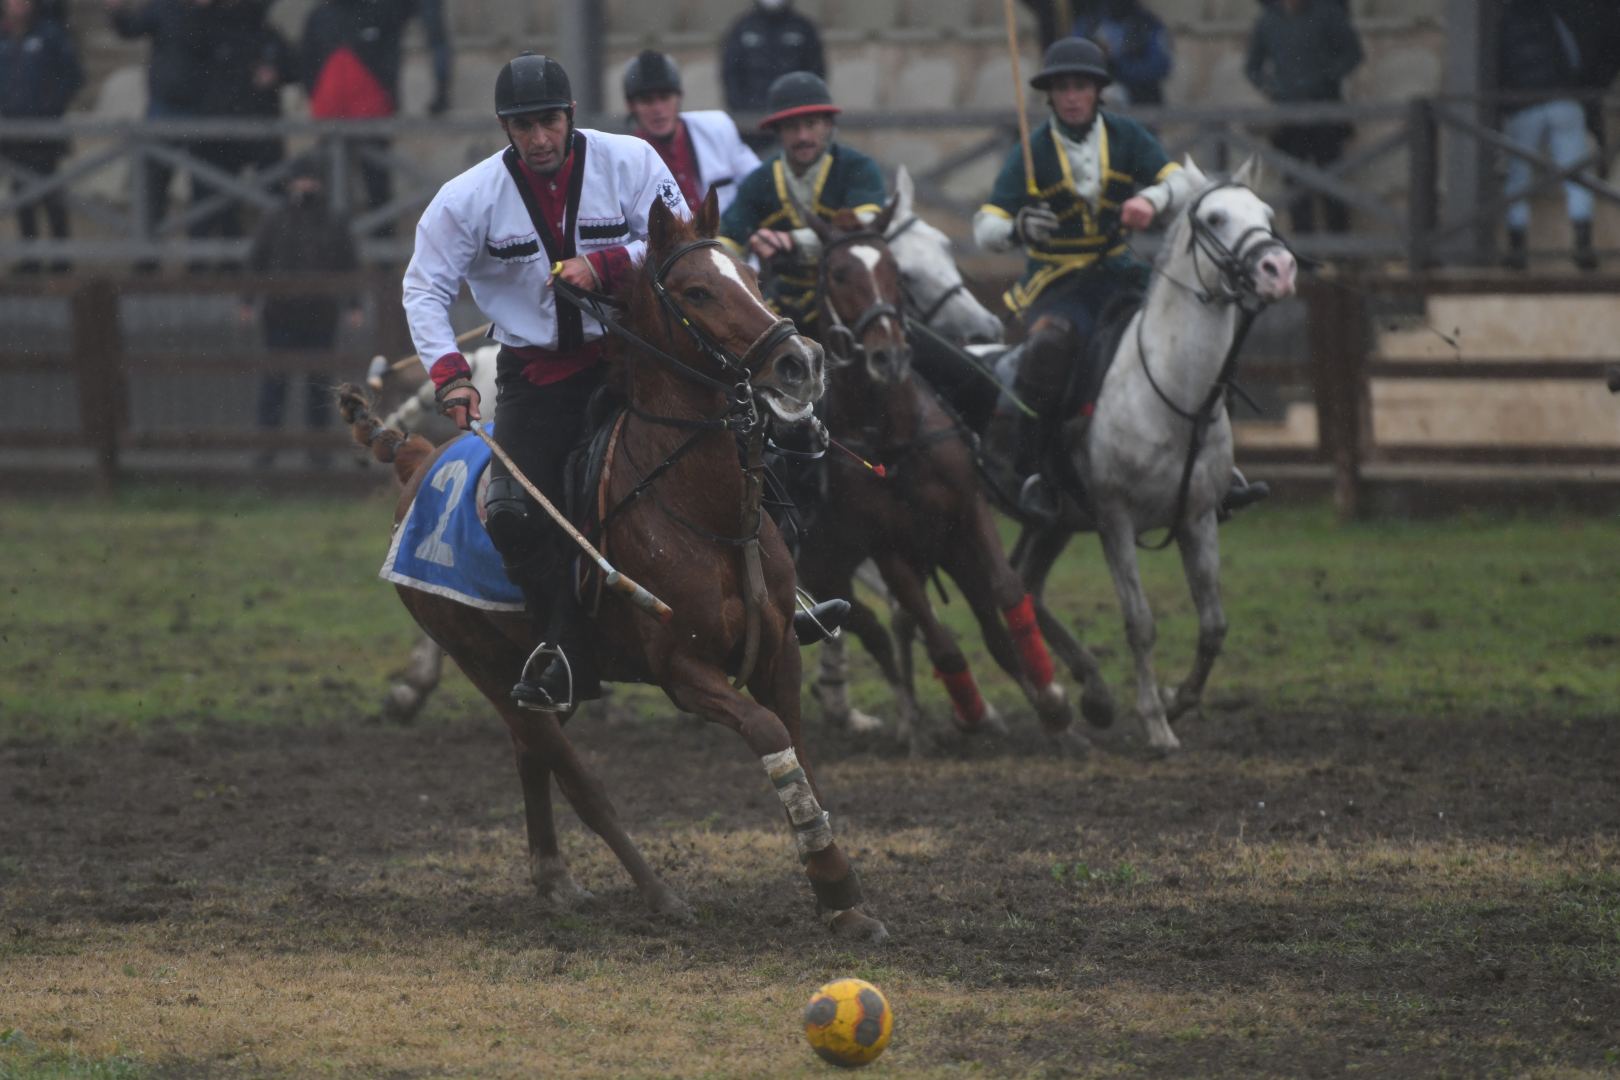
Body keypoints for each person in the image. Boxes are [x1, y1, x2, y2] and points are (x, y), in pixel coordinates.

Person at [404, 54, 842, 713]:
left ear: (571, 116)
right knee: (516, 515)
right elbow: (423, 287)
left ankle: (787, 600)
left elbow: (683, 242)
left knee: (761, 451)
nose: (540, 138)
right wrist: (451, 377)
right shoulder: (466, 200)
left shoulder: (631, 162)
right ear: (506, 129)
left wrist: (605, 264)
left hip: (637, 361)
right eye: (524, 127)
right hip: (540, 376)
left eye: (549, 121)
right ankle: (560, 647)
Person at [974, 38, 1265, 518]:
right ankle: (1035, 474)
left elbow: (1181, 180)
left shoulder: (1127, 136)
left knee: (1191, 339)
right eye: (1063, 87)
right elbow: (985, 225)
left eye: (1081, 86)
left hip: (1118, 274)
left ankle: (1219, 467)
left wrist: (1150, 200)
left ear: (1097, 91)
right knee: (1047, 352)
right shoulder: (1032, 150)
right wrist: (1018, 227)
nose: (1072, 96)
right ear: (1050, 95)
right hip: (1059, 283)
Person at [719, 71, 885, 329]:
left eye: (812, 124)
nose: (803, 136)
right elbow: (727, 240)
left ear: (829, 125)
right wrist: (729, 262)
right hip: (783, 304)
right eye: (791, 127)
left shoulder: (857, 167)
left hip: (855, 296)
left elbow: (864, 228)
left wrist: (792, 242)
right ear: (778, 132)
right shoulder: (759, 181)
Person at [240, 157, 362, 467]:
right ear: (290, 183)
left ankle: (318, 452)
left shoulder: (333, 222)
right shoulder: (275, 219)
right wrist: (247, 300)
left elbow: (348, 264)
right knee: (274, 384)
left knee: (319, 385)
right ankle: (267, 449)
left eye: (311, 179)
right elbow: (257, 262)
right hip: (280, 314)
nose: (306, 185)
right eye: (301, 179)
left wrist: (354, 304)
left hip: (320, 315)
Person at [300, 0, 452, 235]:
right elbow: (307, 61)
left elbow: (390, 55)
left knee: (375, 186)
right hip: (336, 115)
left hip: (367, 113)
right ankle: (333, 248)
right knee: (332, 187)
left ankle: (379, 250)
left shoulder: (377, 12)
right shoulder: (322, 16)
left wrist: (386, 93)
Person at [107, 0, 212, 267]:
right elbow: (131, 29)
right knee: (153, 187)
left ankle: (199, 259)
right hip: (163, 111)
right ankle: (148, 256)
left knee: (205, 189)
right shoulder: (164, 8)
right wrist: (117, 12)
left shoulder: (217, 12)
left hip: (205, 112)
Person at [1243, 0, 1363, 235]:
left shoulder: (1328, 14)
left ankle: (1342, 253)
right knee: (1296, 187)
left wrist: (1325, 79)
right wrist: (1273, 88)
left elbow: (1353, 54)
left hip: (1325, 115)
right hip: (1289, 118)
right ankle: (1306, 256)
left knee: (1332, 183)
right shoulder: (1268, 21)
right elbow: (1252, 67)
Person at [1497, 0, 1597, 271]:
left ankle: (1517, 251)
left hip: (1523, 104)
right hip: (1562, 99)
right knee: (1576, 174)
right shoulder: (1550, 15)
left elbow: (1495, 65)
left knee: (1518, 176)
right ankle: (1583, 244)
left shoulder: (1501, 21)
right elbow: (1573, 56)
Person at [192, 0, 292, 257]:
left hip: (259, 126)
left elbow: (293, 65)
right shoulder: (208, 27)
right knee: (217, 200)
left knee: (271, 195)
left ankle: (278, 253)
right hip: (220, 128)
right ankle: (216, 259)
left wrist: (276, 73)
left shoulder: (267, 34)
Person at [622, 49, 759, 216]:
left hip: (728, 237)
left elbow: (758, 184)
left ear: (679, 97)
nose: (658, 109)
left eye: (665, 97)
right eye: (646, 100)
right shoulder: (626, 156)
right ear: (631, 106)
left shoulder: (718, 127)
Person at [0, 0, 82, 273]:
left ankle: (61, 257)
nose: (18, 6)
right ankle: (31, 258)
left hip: (45, 132)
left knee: (51, 195)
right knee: (21, 194)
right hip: (12, 132)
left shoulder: (50, 34)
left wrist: (51, 109)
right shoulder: (4, 37)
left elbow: (73, 76)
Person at [720, 0, 824, 151]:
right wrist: (744, 111)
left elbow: (816, 73)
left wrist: (802, 112)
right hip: (751, 128)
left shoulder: (803, 28)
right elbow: (730, 75)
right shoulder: (742, 28)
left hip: (794, 124)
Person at [1071, 0, 1172, 106]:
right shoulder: (1089, 23)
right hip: (1096, 97)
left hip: (1139, 101)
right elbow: (1074, 61)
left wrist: (1119, 63)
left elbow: (1161, 66)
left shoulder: (1148, 24)